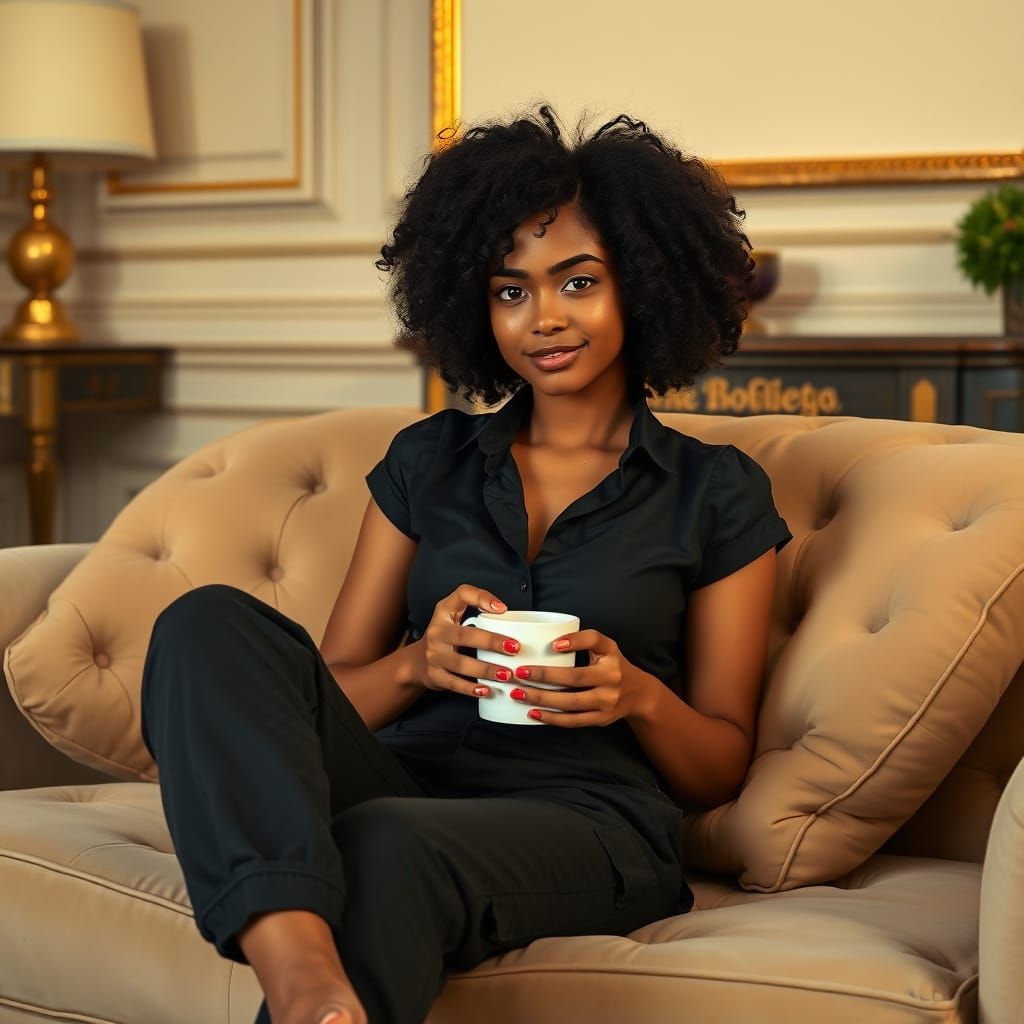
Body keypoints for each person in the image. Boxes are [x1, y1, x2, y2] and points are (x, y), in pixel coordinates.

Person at [139, 103, 793, 1024]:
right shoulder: (427, 461)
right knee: (203, 621)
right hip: (405, 777)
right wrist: (418, 665)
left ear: (644, 285)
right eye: (510, 291)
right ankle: (302, 979)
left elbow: (719, 766)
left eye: (578, 282)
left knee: (383, 843)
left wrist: (636, 695)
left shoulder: (715, 492)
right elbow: (330, 692)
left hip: (588, 822)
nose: (543, 319)